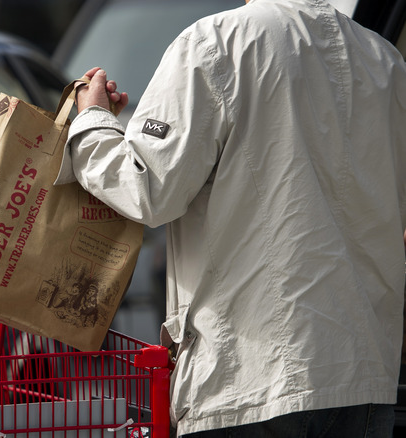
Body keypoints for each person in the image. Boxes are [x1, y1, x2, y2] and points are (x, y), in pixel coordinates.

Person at [55, 0, 406, 436]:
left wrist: (91, 121)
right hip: (363, 377)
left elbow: (147, 188)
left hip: (250, 379)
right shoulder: (385, 61)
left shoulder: (214, 43)